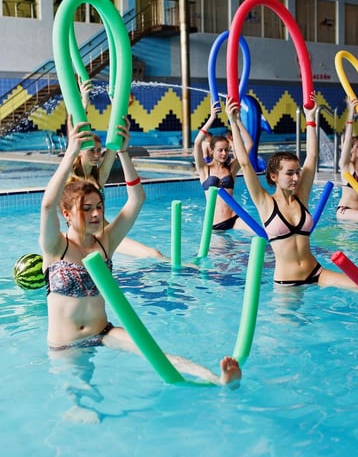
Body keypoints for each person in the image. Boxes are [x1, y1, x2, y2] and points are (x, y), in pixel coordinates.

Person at [40, 117, 241, 399]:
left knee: (157, 353)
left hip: (103, 331)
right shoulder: (54, 247)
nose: (96, 214)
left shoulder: (104, 242)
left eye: (99, 207)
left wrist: (123, 153)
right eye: (87, 209)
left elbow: (136, 200)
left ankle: (216, 380)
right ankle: (79, 405)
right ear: (68, 215)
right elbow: (48, 204)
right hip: (66, 345)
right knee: (81, 394)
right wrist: (72, 153)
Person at [227, 94, 358, 308]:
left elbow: (312, 156)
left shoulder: (302, 197)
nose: (296, 178)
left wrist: (311, 118)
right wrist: (234, 121)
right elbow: (245, 164)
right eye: (289, 173)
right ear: (273, 177)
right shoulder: (264, 202)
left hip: (316, 271)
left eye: (297, 172)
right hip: (287, 281)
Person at [70, 117, 165, 259]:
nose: (97, 155)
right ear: (79, 151)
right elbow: (74, 132)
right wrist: (83, 103)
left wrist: (116, 111)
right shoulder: (72, 180)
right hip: (92, 234)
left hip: (107, 231)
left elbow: (114, 148)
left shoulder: (98, 178)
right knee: (151, 255)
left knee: (155, 254)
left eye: (98, 150)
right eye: (91, 151)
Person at [193, 100, 255, 231]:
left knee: (261, 237)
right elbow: (197, 143)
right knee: (224, 252)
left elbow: (249, 144)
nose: (224, 153)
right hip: (217, 224)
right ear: (212, 151)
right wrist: (211, 118)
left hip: (235, 218)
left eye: (226, 150)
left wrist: (237, 120)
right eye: (220, 150)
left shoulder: (231, 169)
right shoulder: (204, 170)